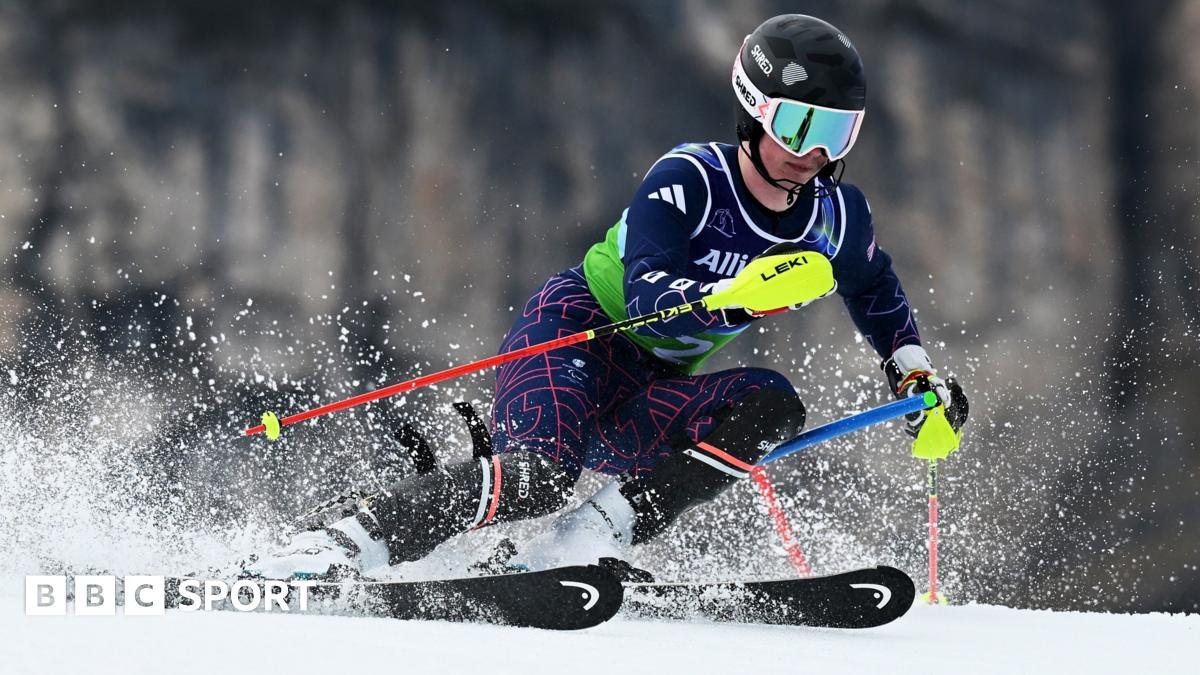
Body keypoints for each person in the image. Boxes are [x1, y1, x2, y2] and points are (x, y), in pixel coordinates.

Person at [245, 14, 968, 581]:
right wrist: (734, 298)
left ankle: (579, 543)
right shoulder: (687, 178)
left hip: (650, 388)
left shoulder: (837, 217)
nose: (814, 154)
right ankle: (339, 544)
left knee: (774, 404)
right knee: (534, 479)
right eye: (800, 126)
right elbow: (649, 286)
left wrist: (914, 371)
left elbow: (874, 287)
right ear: (755, 110)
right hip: (578, 335)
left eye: (837, 133)